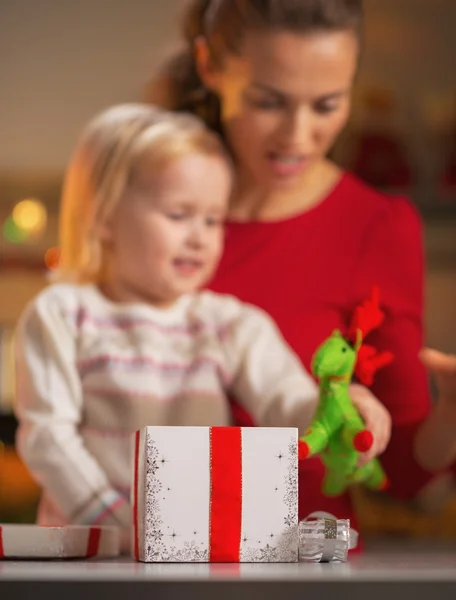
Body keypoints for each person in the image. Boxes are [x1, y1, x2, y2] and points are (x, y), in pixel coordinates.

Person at [149, 0, 456, 530]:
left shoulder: (376, 226)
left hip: (304, 566)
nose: (297, 135)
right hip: (145, 560)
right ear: (209, 67)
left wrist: (450, 415)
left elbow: (402, 472)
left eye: (327, 104)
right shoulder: (144, 202)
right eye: (268, 102)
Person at [14, 103, 327, 553]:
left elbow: (287, 400)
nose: (200, 237)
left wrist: (337, 412)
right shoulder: (62, 313)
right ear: (104, 218)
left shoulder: (228, 324)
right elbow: (48, 439)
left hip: (190, 554)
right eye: (179, 215)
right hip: (87, 556)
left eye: (212, 219)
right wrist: (118, 525)